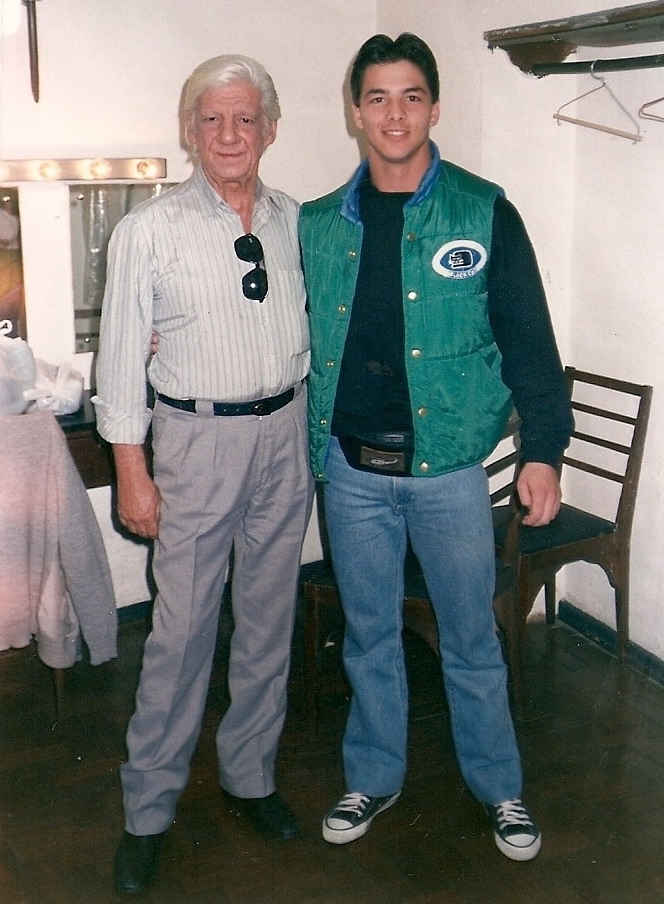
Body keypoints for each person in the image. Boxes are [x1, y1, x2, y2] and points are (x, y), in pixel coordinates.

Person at [298, 33, 573, 861]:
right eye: (378, 97)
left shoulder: (484, 212)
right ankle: (373, 777)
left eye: (411, 96)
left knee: (472, 639)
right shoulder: (317, 225)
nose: (395, 113)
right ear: (355, 111)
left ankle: (500, 789)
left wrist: (544, 450)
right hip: (350, 471)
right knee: (369, 639)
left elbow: (530, 342)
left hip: (449, 474)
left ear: (435, 108)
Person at [93, 54, 313, 895]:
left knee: (268, 621)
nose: (229, 134)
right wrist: (132, 470)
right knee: (181, 634)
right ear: (190, 131)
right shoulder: (147, 230)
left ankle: (250, 778)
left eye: (245, 119)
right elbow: (121, 361)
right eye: (212, 119)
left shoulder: (297, 222)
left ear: (270, 130)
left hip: (285, 434)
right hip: (195, 443)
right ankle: (147, 811)